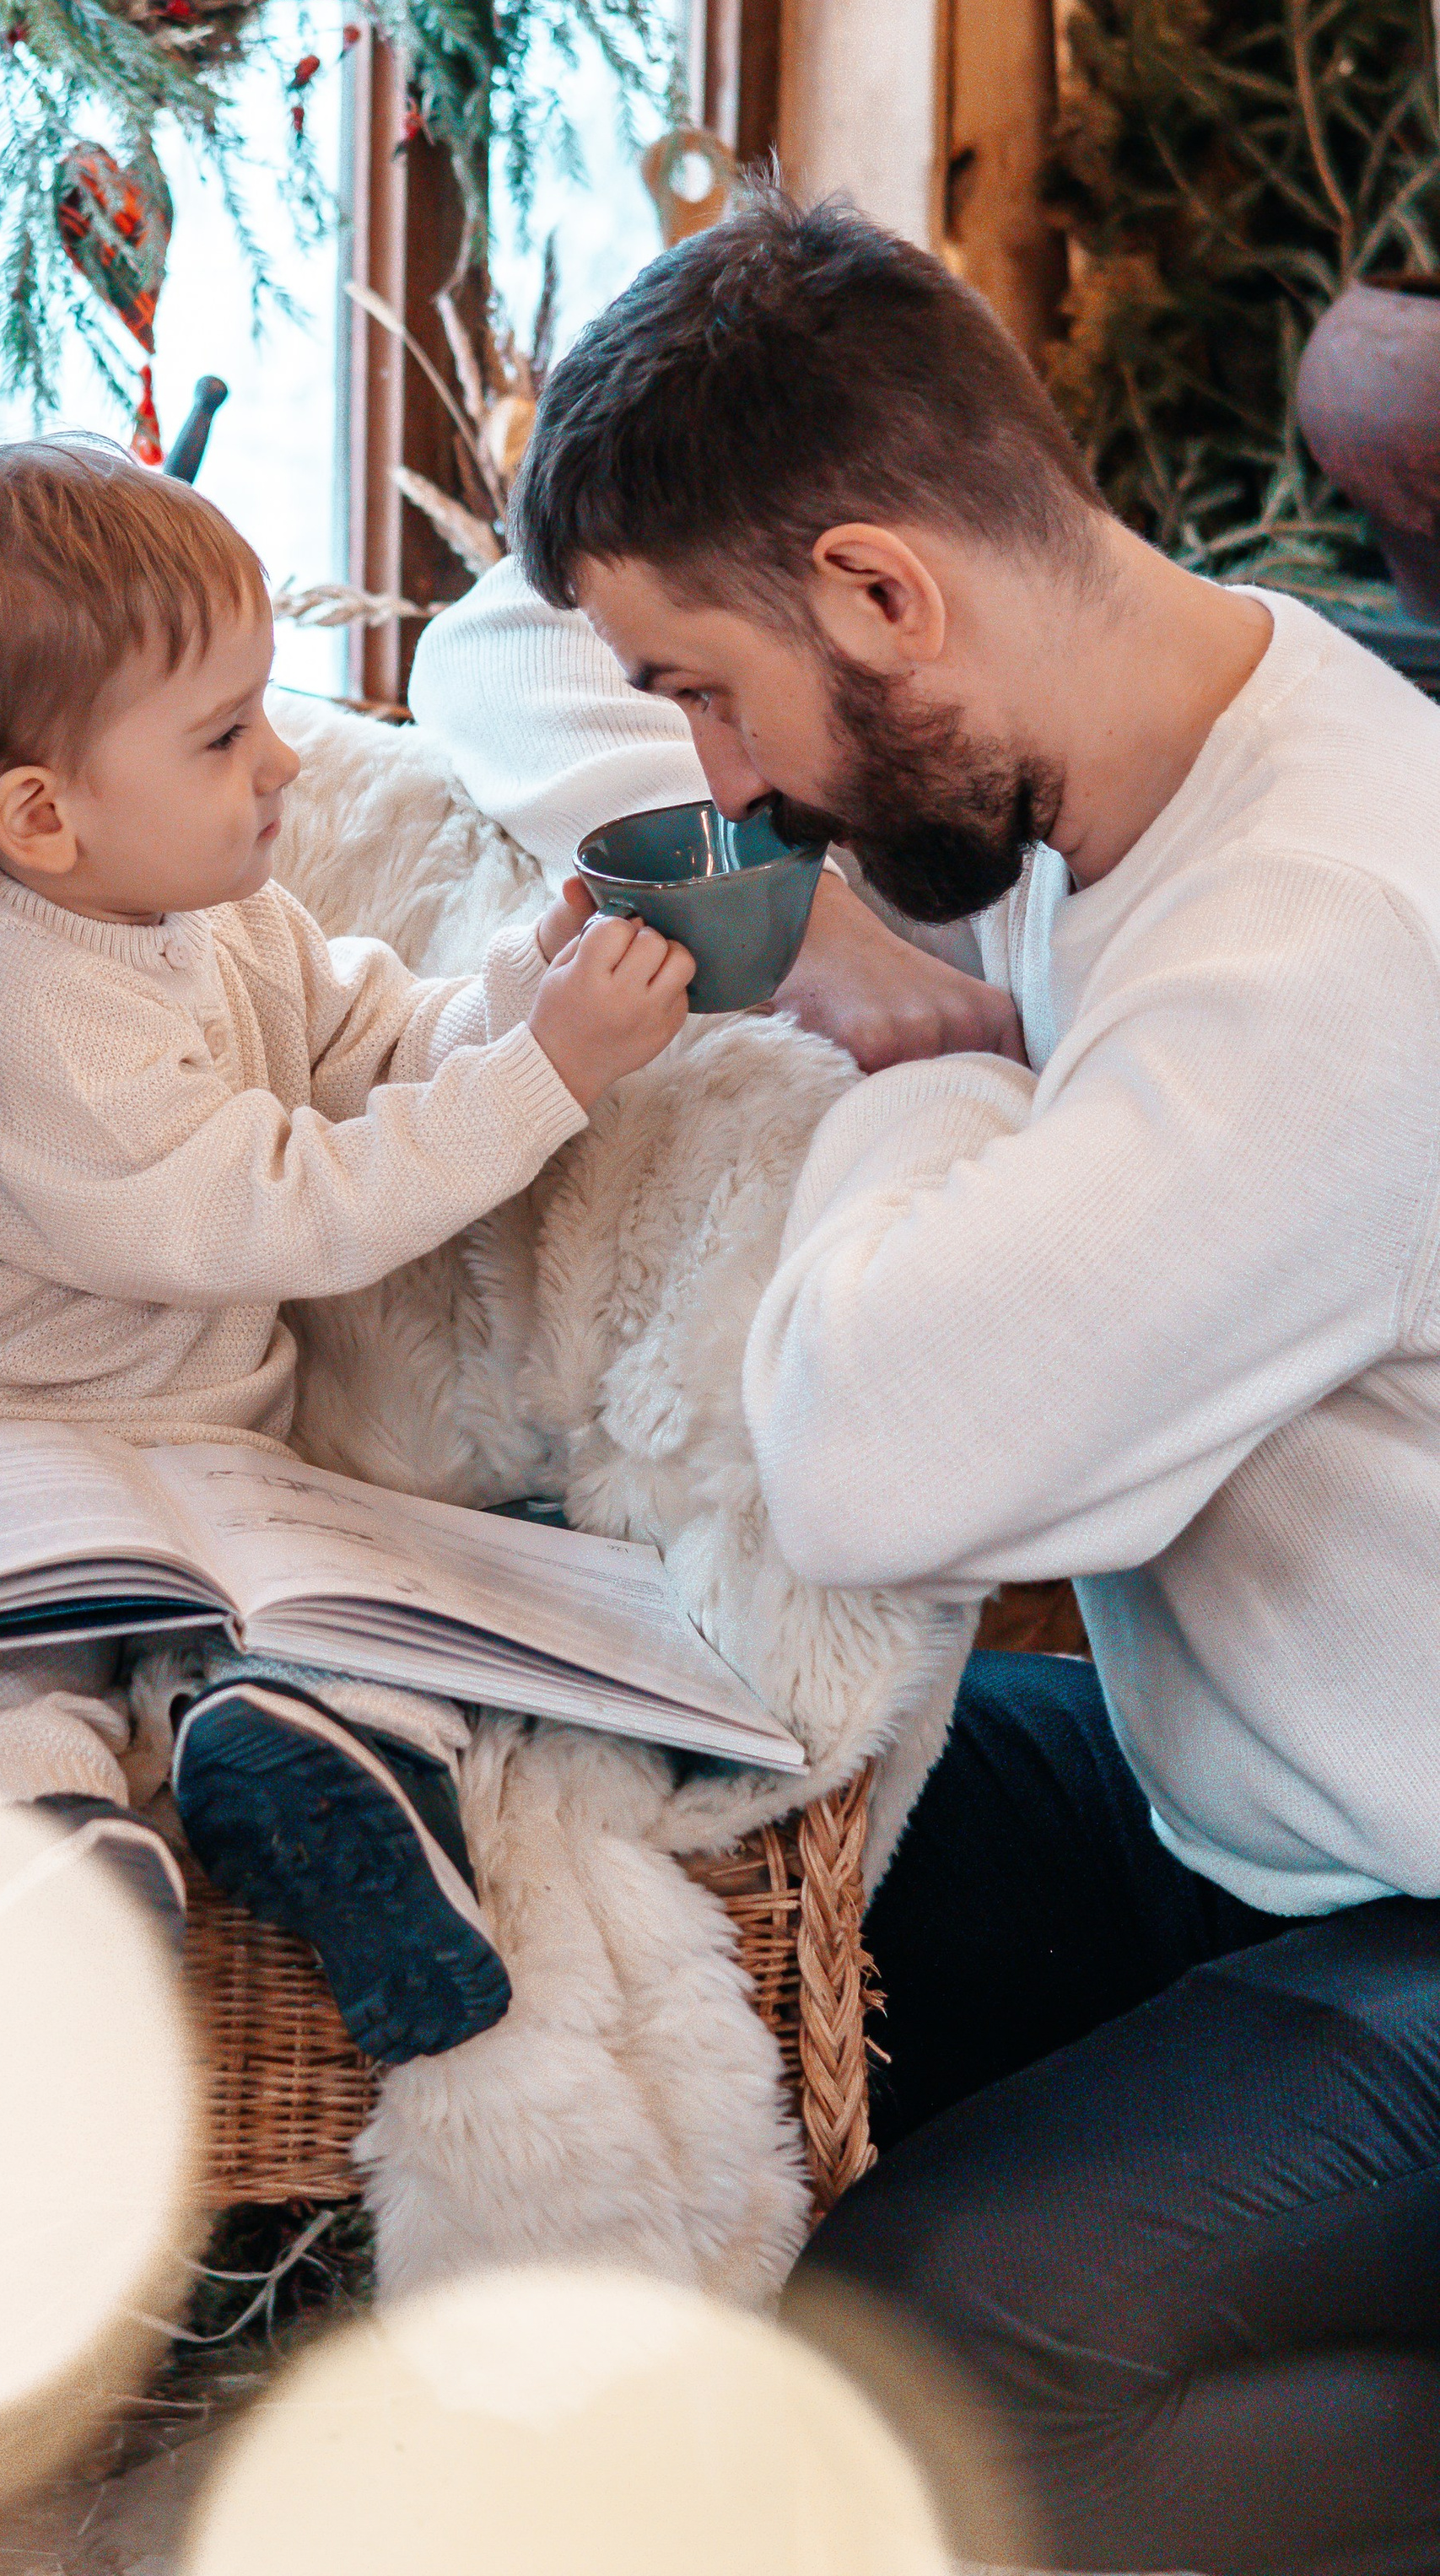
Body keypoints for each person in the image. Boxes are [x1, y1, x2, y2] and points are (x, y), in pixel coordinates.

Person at [407, 176, 1440, 2576]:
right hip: (1258, 1803)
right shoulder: (1156, 705)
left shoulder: (1325, 947)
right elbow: (490, 646)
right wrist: (853, 924)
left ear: (882, 591)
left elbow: (873, 1457)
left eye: (712, 696)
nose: (724, 779)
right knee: (638, 1852)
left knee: (893, 2392)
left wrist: (927, 1077)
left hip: (1408, 1891)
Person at [0, 434, 693, 2066]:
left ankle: (313, 1760)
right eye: (223, 733)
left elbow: (376, 1042)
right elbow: (290, 1201)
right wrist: (555, 1079)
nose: (287, 764)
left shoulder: (220, 913)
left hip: (195, 1464)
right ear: (44, 815)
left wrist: (517, 995)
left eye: (266, 711)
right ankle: (46, 1859)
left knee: (348, 1604)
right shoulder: (6, 999)